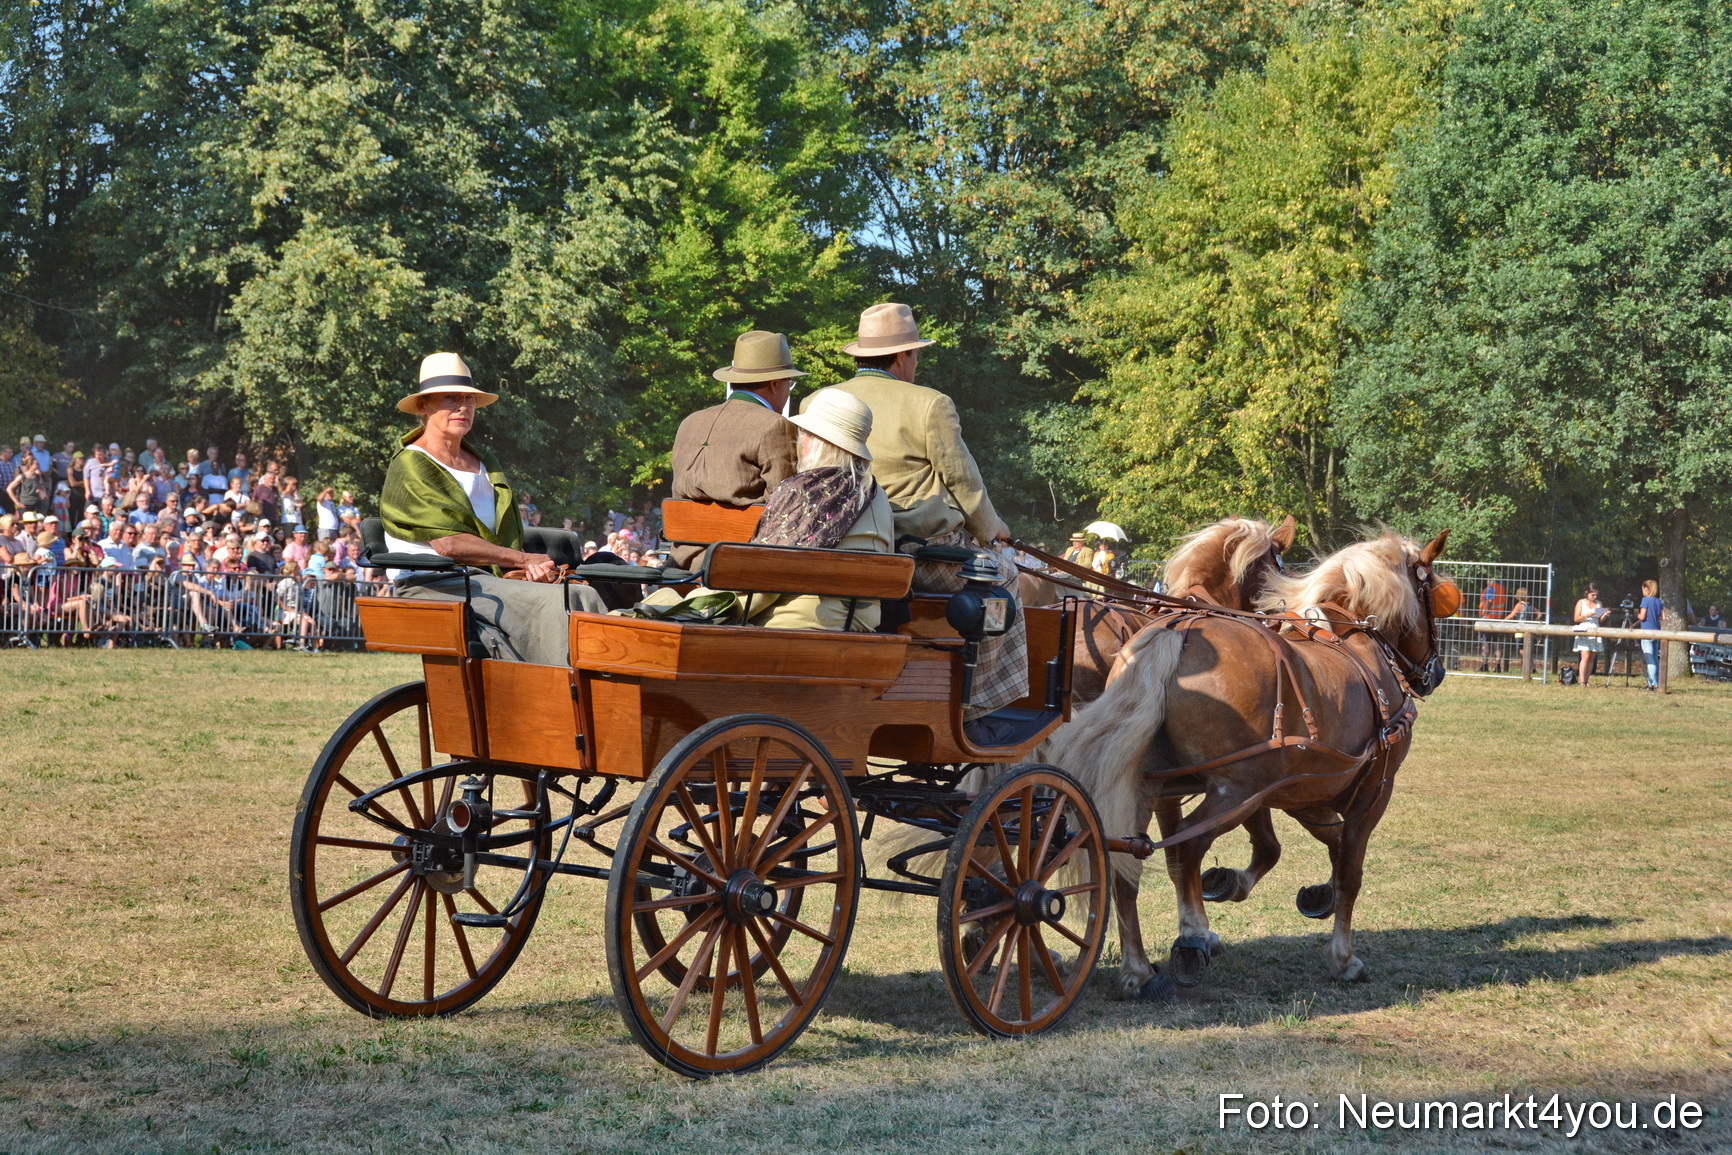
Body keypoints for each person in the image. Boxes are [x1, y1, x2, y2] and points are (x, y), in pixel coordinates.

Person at [815, 302, 1024, 714]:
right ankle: (976, 703)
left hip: (839, 555)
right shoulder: (929, 404)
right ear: (901, 356)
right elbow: (962, 479)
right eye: (915, 354)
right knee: (1008, 578)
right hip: (914, 558)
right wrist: (991, 528)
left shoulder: (820, 401)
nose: (916, 363)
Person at [380, 351, 606, 665]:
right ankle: (561, 696)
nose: (462, 407)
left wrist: (529, 569)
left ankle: (605, 687)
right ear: (423, 405)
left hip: (484, 579)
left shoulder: (485, 463)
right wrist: (525, 560)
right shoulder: (411, 465)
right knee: (565, 600)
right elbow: (449, 543)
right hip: (435, 585)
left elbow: (500, 537)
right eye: (449, 398)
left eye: (469, 400)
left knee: (597, 585)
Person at [744, 388, 893, 631]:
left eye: (806, 433)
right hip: (863, 625)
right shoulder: (877, 495)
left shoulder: (801, 490)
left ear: (818, 442)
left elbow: (766, 576)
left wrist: (709, 608)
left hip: (797, 623)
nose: (801, 441)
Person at [667, 329, 802, 568]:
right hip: (736, 566)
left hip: (678, 565)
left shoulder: (690, 422)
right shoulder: (775, 426)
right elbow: (784, 507)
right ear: (774, 384)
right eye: (788, 384)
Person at [1572, 584, 1607, 686]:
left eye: (1596, 595)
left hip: (1595, 629)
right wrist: (1586, 615)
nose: (1595, 597)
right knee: (1585, 656)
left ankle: (1587, 680)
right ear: (1587, 593)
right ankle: (1582, 680)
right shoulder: (1581, 602)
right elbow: (1576, 618)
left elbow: (1600, 620)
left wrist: (1604, 615)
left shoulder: (1599, 603)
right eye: (1593, 595)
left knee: (1592, 657)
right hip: (1584, 629)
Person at [1637, 578, 1663, 691]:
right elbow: (1663, 617)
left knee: (1650, 659)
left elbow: (1642, 617)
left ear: (1646, 589)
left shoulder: (1645, 600)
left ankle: (1653, 682)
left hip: (1646, 631)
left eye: (1643, 589)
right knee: (1655, 659)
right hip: (1656, 631)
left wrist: (1636, 614)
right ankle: (1655, 680)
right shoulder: (1659, 601)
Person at [7, 451, 51, 518]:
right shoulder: (22, 476)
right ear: (31, 465)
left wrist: (43, 493)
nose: (38, 465)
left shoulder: (37, 476)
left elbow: (40, 486)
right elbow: (9, 488)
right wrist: (17, 502)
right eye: (36, 463)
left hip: (36, 503)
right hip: (25, 504)